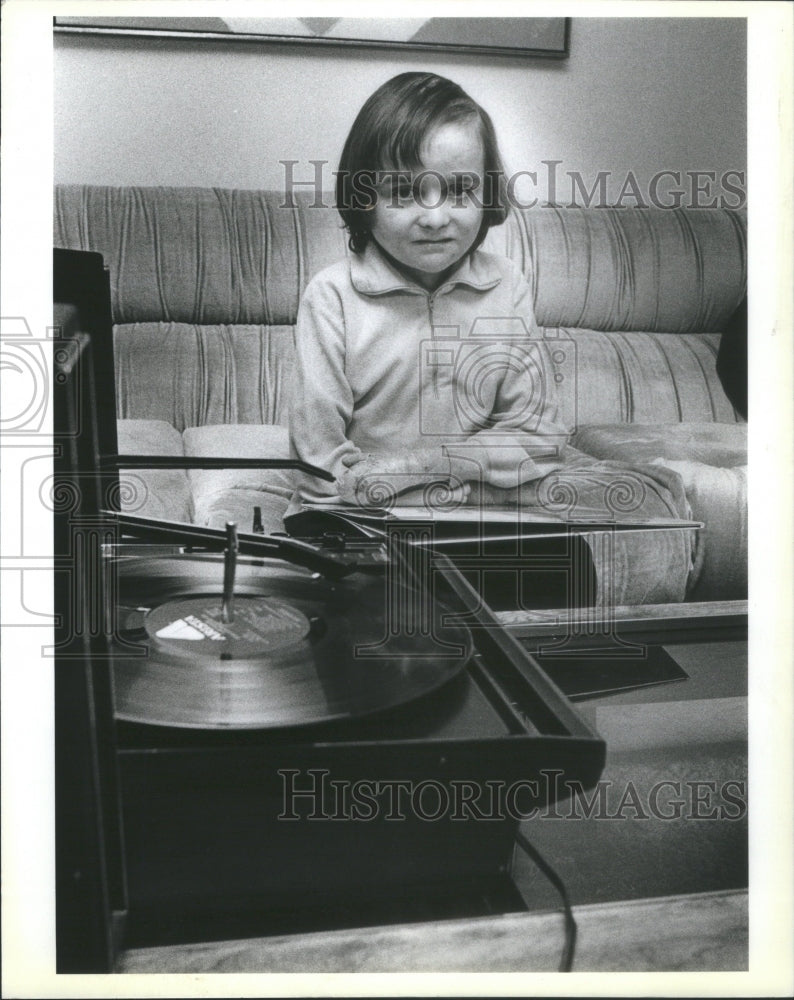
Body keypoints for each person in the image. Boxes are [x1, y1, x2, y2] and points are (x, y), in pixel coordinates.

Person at [288, 72, 694, 605]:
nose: (434, 218)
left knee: (611, 532)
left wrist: (431, 468)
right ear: (363, 197)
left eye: (459, 190)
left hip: (481, 510)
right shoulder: (333, 296)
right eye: (405, 191)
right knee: (359, 574)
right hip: (370, 523)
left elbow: (535, 435)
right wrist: (450, 482)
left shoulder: (505, 285)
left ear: (488, 192)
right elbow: (324, 474)